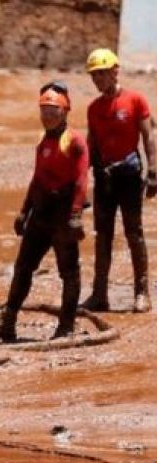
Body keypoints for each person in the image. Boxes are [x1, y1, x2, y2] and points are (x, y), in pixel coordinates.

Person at [0, 81, 88, 340]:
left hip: (64, 216)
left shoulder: (75, 141)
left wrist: (76, 216)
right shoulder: (42, 141)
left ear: (65, 111)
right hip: (41, 213)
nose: (48, 116)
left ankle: (66, 326)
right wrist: (24, 211)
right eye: (44, 110)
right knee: (23, 267)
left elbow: (80, 181)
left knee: (69, 272)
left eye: (53, 110)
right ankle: (7, 321)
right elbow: (37, 178)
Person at [81, 48, 156, 313]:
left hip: (129, 175)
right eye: (94, 76)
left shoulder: (136, 100)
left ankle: (142, 292)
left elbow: (148, 136)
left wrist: (154, 171)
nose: (98, 80)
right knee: (103, 235)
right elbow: (91, 145)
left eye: (101, 74)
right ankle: (100, 294)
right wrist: (80, 181)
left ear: (115, 72)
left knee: (134, 233)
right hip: (105, 177)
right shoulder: (94, 108)